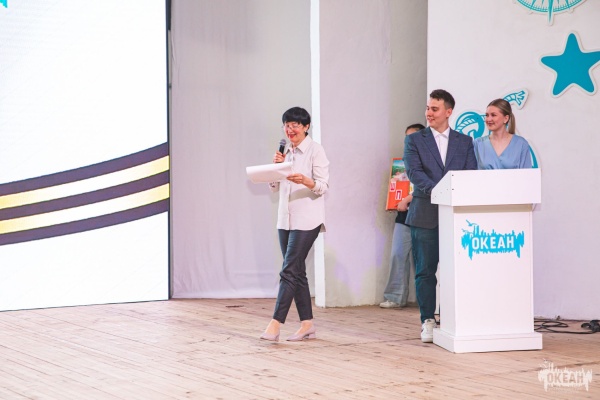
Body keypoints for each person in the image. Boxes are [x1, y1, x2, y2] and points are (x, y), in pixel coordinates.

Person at [403, 89, 477, 342]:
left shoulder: (464, 141)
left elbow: (470, 172)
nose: (429, 113)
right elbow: (414, 173)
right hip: (424, 214)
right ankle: (427, 320)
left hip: (457, 216)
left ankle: (455, 317)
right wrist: (440, 192)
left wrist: (451, 196)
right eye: (428, 108)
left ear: (448, 112)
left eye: (434, 109)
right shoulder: (415, 140)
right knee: (425, 270)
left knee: (457, 269)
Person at [260, 107, 330, 342]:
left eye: (295, 125)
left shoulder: (316, 151)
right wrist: (275, 169)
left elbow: (323, 186)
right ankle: (307, 324)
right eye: (287, 125)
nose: (290, 130)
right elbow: (273, 187)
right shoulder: (285, 152)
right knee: (297, 271)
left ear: (306, 127)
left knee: (289, 270)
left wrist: (307, 181)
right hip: (285, 219)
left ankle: (275, 324)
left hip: (307, 219)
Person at [380, 123, 425, 309]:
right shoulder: (402, 164)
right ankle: (395, 296)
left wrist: (408, 198)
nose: (408, 140)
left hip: (424, 215)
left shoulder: (430, 161)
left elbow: (427, 186)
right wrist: (394, 202)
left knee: (423, 260)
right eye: (406, 137)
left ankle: (429, 300)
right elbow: (396, 189)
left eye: (412, 136)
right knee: (398, 255)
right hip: (403, 217)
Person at [474, 98, 532, 169]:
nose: (488, 119)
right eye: (487, 115)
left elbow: (527, 174)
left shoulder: (521, 144)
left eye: (493, 115)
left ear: (506, 118)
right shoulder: (478, 144)